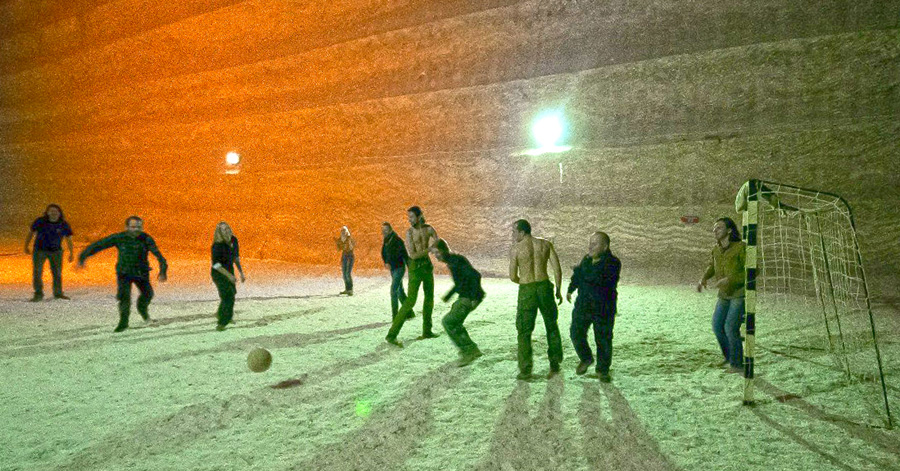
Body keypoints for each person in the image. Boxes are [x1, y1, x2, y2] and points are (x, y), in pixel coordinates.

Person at [77, 216, 168, 332]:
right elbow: (99, 245)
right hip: (124, 273)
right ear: (127, 227)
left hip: (141, 272)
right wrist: (83, 256)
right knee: (124, 298)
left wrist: (163, 271)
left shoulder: (146, 238)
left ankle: (143, 311)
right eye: (133, 227)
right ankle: (123, 323)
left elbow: (159, 255)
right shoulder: (119, 237)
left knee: (148, 294)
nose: (136, 229)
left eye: (139, 227)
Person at [509, 219, 564, 380]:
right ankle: (555, 365)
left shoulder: (516, 249)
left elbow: (512, 276)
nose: (513, 235)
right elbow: (557, 269)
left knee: (524, 331)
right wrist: (558, 289)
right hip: (544, 287)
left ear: (522, 232)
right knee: (551, 326)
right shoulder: (545, 244)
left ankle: (525, 370)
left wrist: (524, 283)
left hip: (527, 289)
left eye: (514, 232)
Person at [567, 232, 621, 382]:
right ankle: (586, 358)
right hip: (583, 305)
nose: (590, 247)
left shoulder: (613, 263)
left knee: (603, 339)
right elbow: (578, 277)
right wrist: (571, 289)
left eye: (595, 244)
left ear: (605, 246)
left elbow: (597, 279)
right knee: (576, 333)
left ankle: (602, 370)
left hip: (603, 308)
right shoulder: (586, 259)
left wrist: (579, 270)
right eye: (590, 243)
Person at [385, 206, 440, 347]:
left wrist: (438, 246)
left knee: (429, 298)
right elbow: (413, 255)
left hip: (427, 267)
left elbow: (438, 242)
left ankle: (427, 331)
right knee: (410, 301)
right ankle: (391, 335)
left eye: (411, 217)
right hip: (415, 268)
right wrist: (430, 249)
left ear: (419, 216)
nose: (409, 220)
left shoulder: (429, 229)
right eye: (408, 217)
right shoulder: (409, 233)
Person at [697, 217, 746, 374]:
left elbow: (753, 270)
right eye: (714, 228)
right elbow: (712, 266)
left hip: (739, 293)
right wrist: (704, 277)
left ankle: (737, 364)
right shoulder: (716, 249)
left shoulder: (741, 247)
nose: (715, 230)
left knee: (730, 327)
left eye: (719, 227)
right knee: (717, 326)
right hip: (724, 295)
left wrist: (730, 280)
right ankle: (729, 357)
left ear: (729, 230)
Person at [431, 238, 485, 367]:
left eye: (437, 252)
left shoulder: (456, 261)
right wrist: (448, 296)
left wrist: (474, 298)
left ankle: (468, 351)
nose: (436, 256)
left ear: (444, 250)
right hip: (465, 296)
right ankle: (472, 349)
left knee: (448, 322)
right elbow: (461, 282)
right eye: (434, 253)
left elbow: (475, 275)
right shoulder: (453, 261)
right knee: (456, 323)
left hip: (468, 297)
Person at [24, 204, 74, 301]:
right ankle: (38, 293)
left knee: (57, 273)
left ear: (59, 213)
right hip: (39, 250)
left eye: (56, 211)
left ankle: (58, 293)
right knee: (37, 272)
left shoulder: (63, 224)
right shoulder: (40, 222)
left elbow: (69, 239)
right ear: (47, 212)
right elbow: (31, 233)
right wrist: (26, 246)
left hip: (56, 252)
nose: (53, 213)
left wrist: (71, 252)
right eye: (51, 211)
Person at [211, 222, 245, 331]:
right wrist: (229, 275)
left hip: (229, 270)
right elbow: (216, 265)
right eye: (223, 229)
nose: (227, 231)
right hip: (219, 274)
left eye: (228, 228)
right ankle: (222, 323)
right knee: (228, 296)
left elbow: (236, 257)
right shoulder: (217, 245)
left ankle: (221, 314)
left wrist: (241, 272)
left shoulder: (234, 240)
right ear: (219, 233)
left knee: (232, 293)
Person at [381, 222, 409, 319]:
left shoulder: (397, 240)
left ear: (390, 230)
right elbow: (383, 252)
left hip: (399, 268)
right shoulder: (387, 240)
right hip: (393, 269)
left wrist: (410, 268)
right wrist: (386, 262)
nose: (384, 232)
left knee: (393, 290)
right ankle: (409, 312)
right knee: (400, 291)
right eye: (383, 230)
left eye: (385, 230)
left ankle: (395, 315)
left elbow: (404, 254)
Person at [335, 226, 355, 295]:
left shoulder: (350, 238)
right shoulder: (341, 239)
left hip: (350, 256)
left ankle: (350, 290)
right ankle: (347, 289)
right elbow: (339, 249)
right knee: (344, 273)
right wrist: (337, 243)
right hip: (344, 256)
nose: (343, 232)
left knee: (347, 273)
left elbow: (351, 248)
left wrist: (348, 240)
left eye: (344, 231)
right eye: (342, 231)